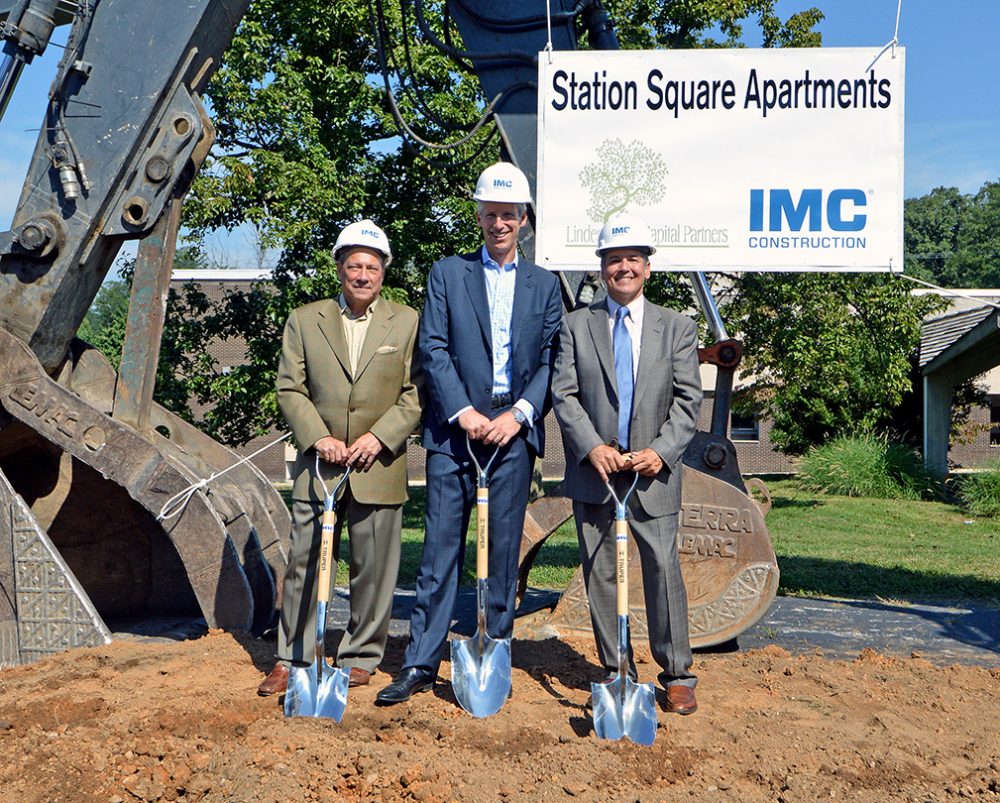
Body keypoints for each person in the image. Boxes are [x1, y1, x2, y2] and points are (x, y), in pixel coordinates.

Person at [376, 162, 563, 705]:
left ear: (524, 220)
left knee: (502, 553)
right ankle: (420, 662)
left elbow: (554, 358)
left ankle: (494, 647)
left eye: (509, 215)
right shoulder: (447, 274)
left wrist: (521, 413)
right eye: (490, 213)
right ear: (478, 215)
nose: (499, 223)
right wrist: (462, 412)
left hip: (513, 431)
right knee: (439, 554)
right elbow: (432, 348)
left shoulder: (544, 285)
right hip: (455, 435)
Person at [257, 219, 423, 697]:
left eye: (372, 266)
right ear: (340, 269)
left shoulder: (406, 321)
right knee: (306, 563)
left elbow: (416, 394)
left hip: (379, 464)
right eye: (354, 266)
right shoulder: (305, 319)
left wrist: (379, 437)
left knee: (374, 567)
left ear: (384, 272)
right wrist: (317, 437)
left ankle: (359, 655)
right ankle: (293, 657)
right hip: (321, 465)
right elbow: (289, 388)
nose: (363, 275)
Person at [550, 213, 702, 715]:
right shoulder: (576, 326)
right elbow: (564, 394)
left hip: (653, 473)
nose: (623, 268)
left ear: (647, 268)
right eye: (614, 260)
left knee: (662, 569)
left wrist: (660, 452)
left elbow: (687, 399)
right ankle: (617, 670)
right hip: (595, 474)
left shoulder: (676, 327)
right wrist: (593, 447)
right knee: (601, 574)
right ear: (601, 268)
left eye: (633, 260)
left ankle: (677, 672)